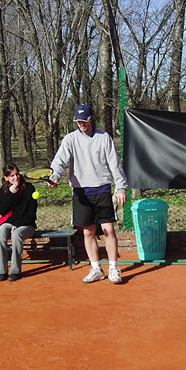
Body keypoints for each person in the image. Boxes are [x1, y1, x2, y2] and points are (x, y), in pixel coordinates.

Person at [48, 104, 129, 284]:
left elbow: (115, 164)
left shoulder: (104, 137)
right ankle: (96, 269)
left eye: (84, 121)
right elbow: (60, 161)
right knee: (88, 232)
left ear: (91, 119)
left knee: (109, 230)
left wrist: (121, 187)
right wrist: (55, 176)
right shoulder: (70, 139)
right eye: (78, 121)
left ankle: (113, 268)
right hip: (81, 192)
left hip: (102, 189)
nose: (81, 124)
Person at [0, 163, 38, 282]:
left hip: (27, 225)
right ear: (6, 178)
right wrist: (10, 194)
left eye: (17, 174)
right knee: (1, 232)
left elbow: (31, 214)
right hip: (11, 223)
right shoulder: (4, 190)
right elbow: (2, 211)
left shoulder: (29, 188)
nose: (16, 178)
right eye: (12, 176)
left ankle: (15, 271)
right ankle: (2, 271)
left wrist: (18, 225)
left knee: (16, 234)